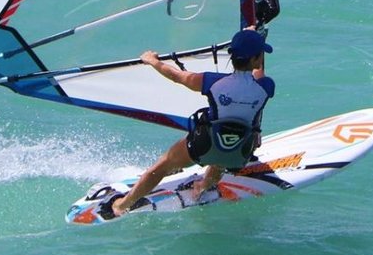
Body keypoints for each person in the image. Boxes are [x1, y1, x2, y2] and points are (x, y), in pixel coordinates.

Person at [103, 27, 276, 218]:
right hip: (239, 154)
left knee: (162, 166)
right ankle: (202, 186)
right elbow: (259, 73)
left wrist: (153, 61)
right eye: (260, 54)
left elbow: (177, 76)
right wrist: (252, 35)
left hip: (204, 147)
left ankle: (121, 206)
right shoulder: (266, 87)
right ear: (255, 58)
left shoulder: (212, 82)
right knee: (224, 151)